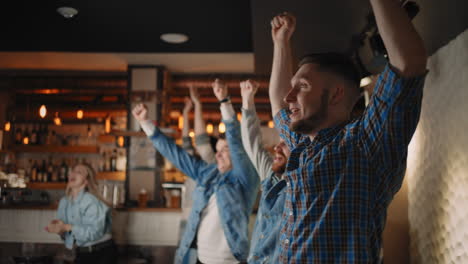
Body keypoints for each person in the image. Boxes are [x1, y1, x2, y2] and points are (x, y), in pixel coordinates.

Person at [269, 2, 427, 262]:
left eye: (303, 86)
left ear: (336, 94)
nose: (290, 97)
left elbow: (408, 64)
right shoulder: (302, 144)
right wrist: (281, 43)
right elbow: (277, 103)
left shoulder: (364, 143)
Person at [132, 78, 259, 264]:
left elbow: (235, 139)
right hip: (197, 258)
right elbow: (174, 153)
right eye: (217, 151)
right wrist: (145, 123)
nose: (218, 156)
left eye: (225, 151)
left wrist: (224, 101)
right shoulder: (207, 173)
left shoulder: (245, 178)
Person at [239, 79, 290, 263]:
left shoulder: (303, 185)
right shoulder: (271, 176)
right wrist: (247, 100)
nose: (277, 148)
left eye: (285, 144)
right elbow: (252, 144)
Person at [46, 163, 116, 264]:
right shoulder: (64, 202)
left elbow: (94, 233)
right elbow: (67, 234)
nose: (73, 173)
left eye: (79, 172)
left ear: (86, 181)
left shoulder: (91, 201)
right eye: (73, 171)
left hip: (102, 252)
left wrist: (67, 227)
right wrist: (59, 229)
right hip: (82, 252)